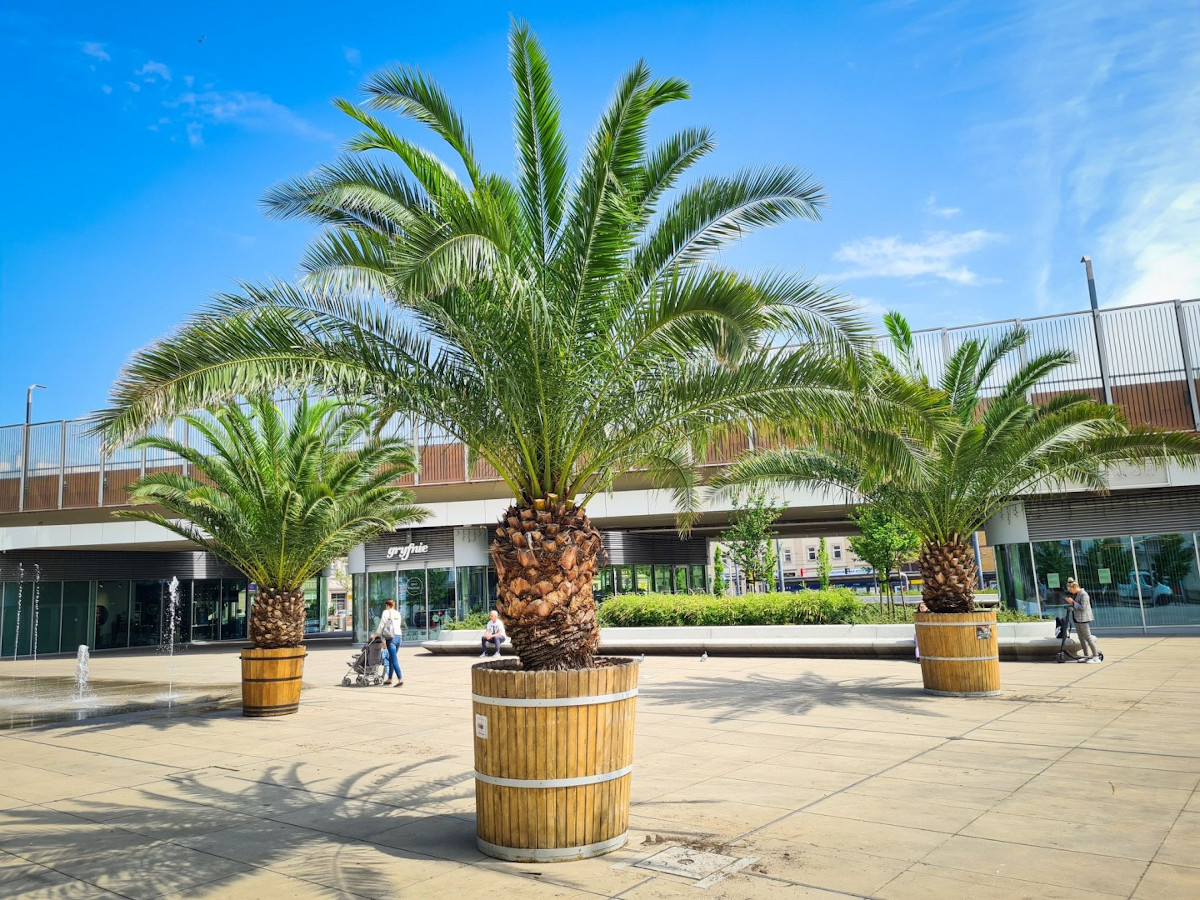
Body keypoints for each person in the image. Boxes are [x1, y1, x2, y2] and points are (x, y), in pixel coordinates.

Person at [1064, 578, 1101, 663]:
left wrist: (1072, 602)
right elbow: (1076, 606)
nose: (1070, 591)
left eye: (1070, 589)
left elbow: (1083, 607)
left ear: (1074, 587)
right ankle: (1086, 656)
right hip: (1077, 619)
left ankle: (1096, 656)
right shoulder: (1077, 594)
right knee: (1081, 639)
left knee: (1088, 637)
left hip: (1083, 619)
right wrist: (1072, 604)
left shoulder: (1084, 594)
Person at [373, 599, 405, 685]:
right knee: (391, 658)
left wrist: (376, 634)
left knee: (394, 660)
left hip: (391, 638)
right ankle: (390, 679)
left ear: (387, 605)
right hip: (399, 637)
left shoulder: (386, 612)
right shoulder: (398, 613)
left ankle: (400, 679)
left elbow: (381, 624)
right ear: (393, 605)